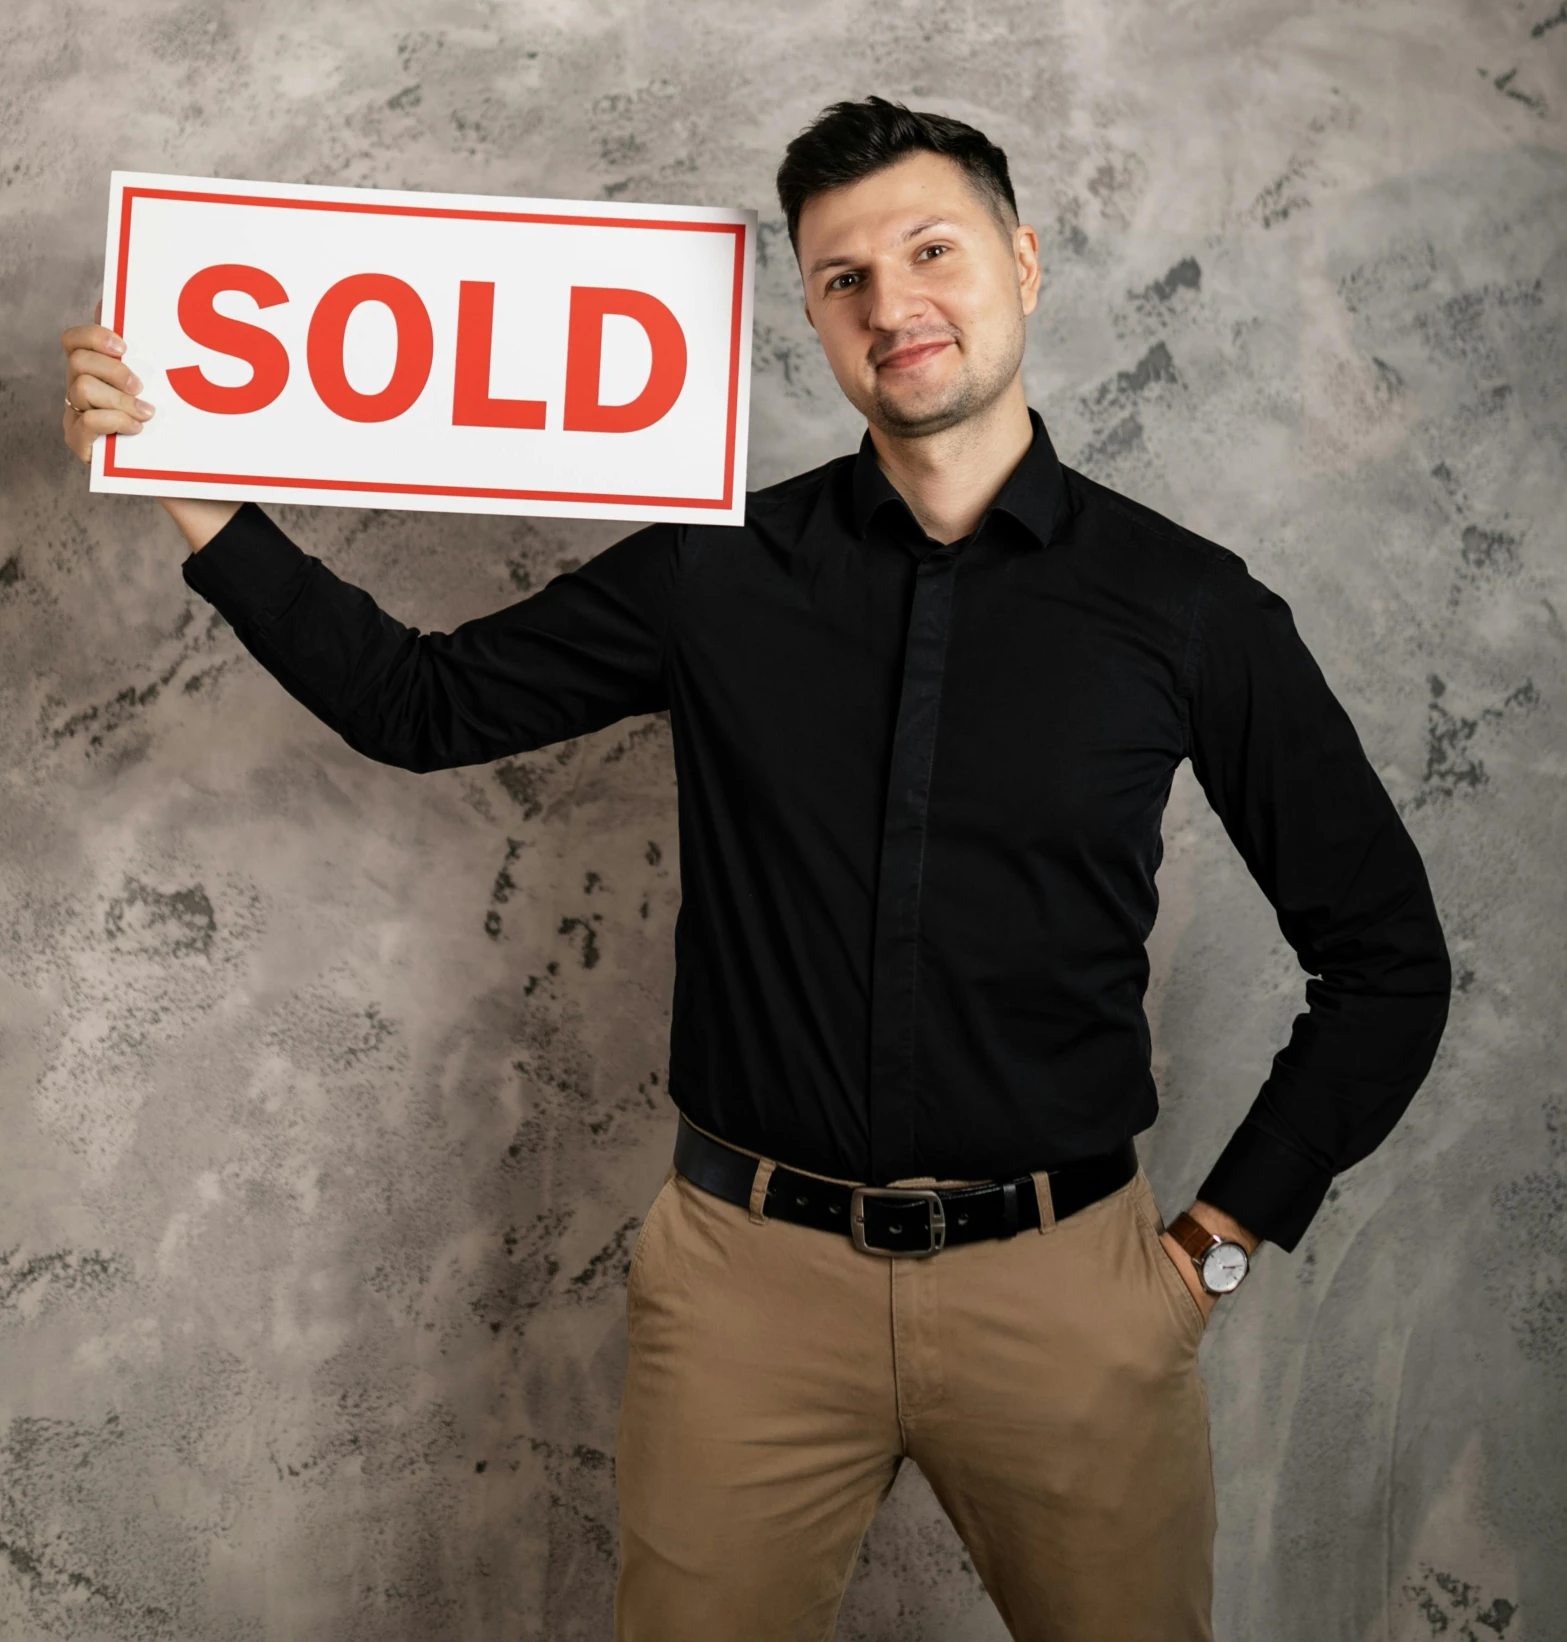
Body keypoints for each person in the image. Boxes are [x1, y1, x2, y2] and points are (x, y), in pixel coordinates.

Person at [61, 97, 1451, 1642]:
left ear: (1023, 260)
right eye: (840, 277)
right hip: (746, 1293)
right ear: (808, 314)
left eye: (930, 250)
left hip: (1074, 1295)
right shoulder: (713, 572)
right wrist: (182, 477)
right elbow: (421, 704)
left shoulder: (1189, 609)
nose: (891, 302)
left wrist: (1212, 1254)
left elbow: (1386, 960)